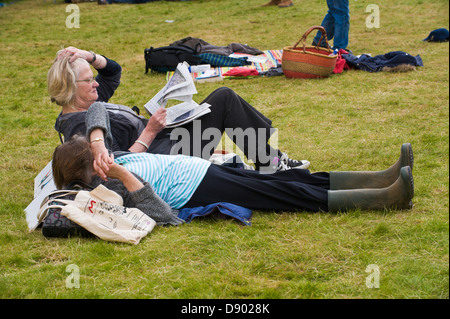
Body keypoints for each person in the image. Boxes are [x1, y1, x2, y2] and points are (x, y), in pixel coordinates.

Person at [48, 47, 309, 173]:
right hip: (167, 157)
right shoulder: (80, 127)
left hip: (166, 138)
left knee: (219, 99)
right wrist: (149, 131)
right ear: (71, 88)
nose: (96, 83)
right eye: (88, 79)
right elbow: (115, 165)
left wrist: (88, 55)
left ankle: (269, 158)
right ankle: (270, 162)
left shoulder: (86, 100)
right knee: (223, 98)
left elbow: (112, 71)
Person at [52, 132, 415, 217]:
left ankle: (380, 177)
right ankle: (386, 198)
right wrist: (118, 171)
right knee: (285, 195)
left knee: (286, 179)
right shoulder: (109, 188)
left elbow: (97, 112)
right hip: (197, 187)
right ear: (86, 167)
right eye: (92, 149)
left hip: (203, 171)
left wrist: (104, 147)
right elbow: (162, 217)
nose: (100, 150)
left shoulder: (107, 161)